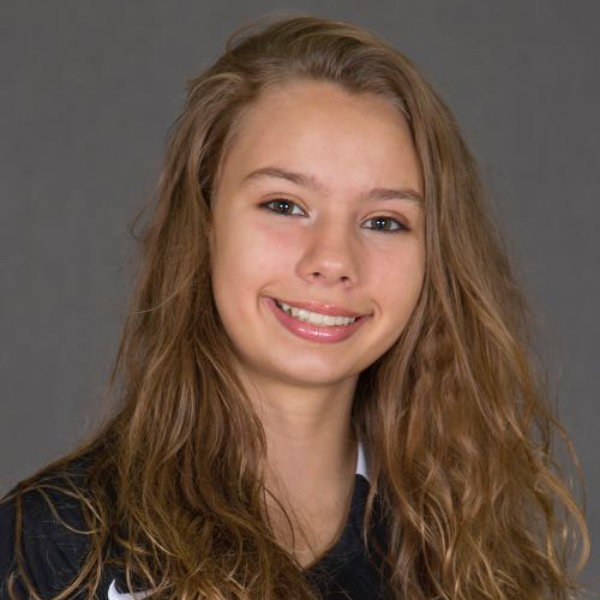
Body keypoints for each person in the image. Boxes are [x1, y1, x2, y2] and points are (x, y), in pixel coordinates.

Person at [0, 13, 591, 600]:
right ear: (203, 222)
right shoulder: (57, 548)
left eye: (384, 221)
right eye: (284, 205)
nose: (332, 259)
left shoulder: (467, 554)